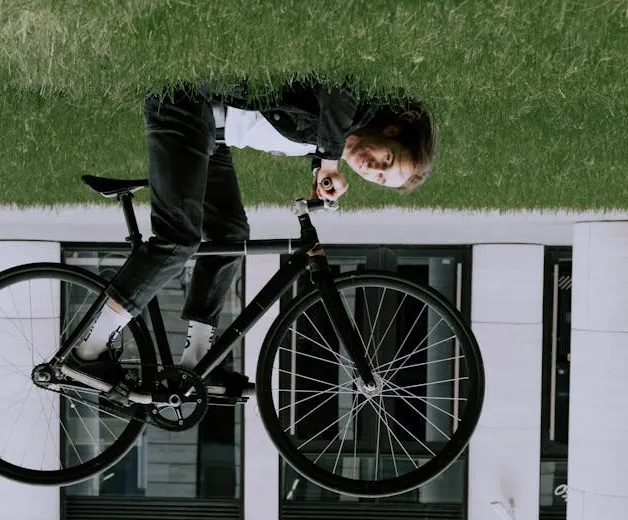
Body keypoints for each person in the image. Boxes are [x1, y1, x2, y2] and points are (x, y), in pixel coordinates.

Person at [69, 78, 436, 398]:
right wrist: (327, 160)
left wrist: (321, 164)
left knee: (231, 235)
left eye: (381, 179)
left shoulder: (335, 137)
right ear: (391, 131)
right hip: (185, 106)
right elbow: (341, 89)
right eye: (387, 160)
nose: (373, 170)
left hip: (210, 133)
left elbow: (319, 125)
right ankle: (88, 353)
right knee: (177, 239)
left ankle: (198, 362)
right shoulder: (355, 113)